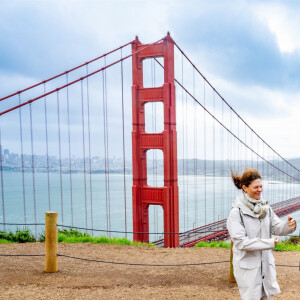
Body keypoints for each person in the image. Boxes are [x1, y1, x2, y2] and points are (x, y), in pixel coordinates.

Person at [227, 168, 297, 300]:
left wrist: (289, 226)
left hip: (266, 265)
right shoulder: (236, 213)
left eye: (261, 186)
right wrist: (269, 243)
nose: (260, 190)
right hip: (249, 269)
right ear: (245, 188)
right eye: (256, 187)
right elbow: (241, 242)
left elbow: (276, 227)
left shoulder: (265, 207)